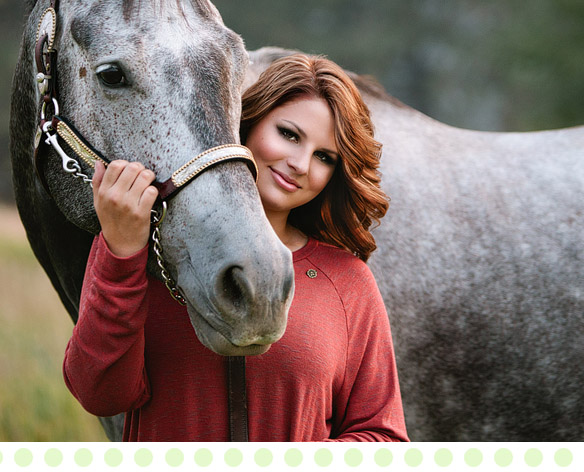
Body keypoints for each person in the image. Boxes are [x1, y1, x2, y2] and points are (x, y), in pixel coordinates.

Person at [63, 53, 408, 441]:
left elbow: (384, 439)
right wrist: (122, 253)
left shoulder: (347, 282)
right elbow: (100, 394)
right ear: (248, 122)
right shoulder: (143, 254)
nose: (299, 163)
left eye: (324, 157)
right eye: (289, 134)